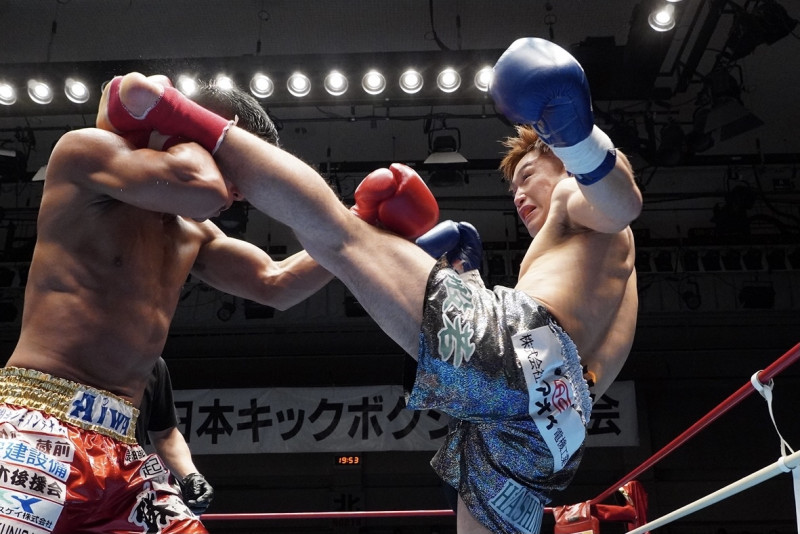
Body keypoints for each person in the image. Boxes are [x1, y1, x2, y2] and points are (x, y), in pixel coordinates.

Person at [102, 36, 642, 534]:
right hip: (559, 428)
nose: (518, 196)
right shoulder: (600, 262)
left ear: (558, 157)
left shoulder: (575, 194)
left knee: (342, 236)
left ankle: (180, 113)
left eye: (526, 176)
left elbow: (621, 204)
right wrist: (467, 281)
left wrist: (577, 139)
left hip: (524, 360)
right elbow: (555, 370)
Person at [0, 77, 338, 533]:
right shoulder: (87, 153)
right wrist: (188, 127)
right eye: (240, 168)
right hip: (36, 426)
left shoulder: (191, 230)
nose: (240, 193)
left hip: (122, 450)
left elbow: (275, 283)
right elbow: (204, 188)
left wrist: (364, 227)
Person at [137, 357, 214, 516]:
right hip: (81, 482)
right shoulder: (80, 358)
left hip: (125, 486)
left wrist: (191, 476)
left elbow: (165, 434)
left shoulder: (151, 363)